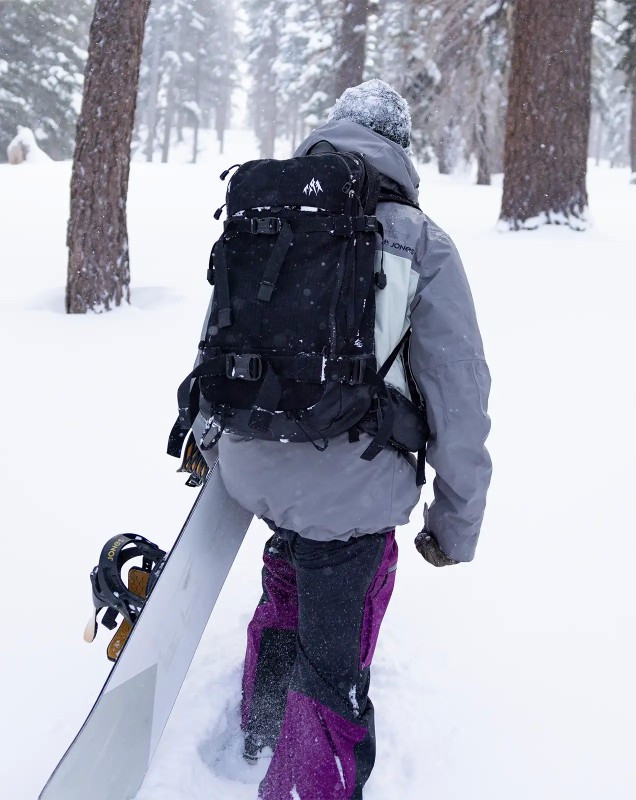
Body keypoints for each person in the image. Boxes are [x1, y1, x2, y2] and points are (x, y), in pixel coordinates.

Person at [195, 79, 492, 800]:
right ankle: (306, 781)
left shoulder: (269, 212)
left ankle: (260, 724)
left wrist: (207, 447)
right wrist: (455, 525)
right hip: (353, 485)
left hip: (250, 463)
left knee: (292, 561)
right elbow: (460, 397)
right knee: (338, 635)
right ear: (401, 150)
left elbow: (219, 342)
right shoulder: (421, 241)